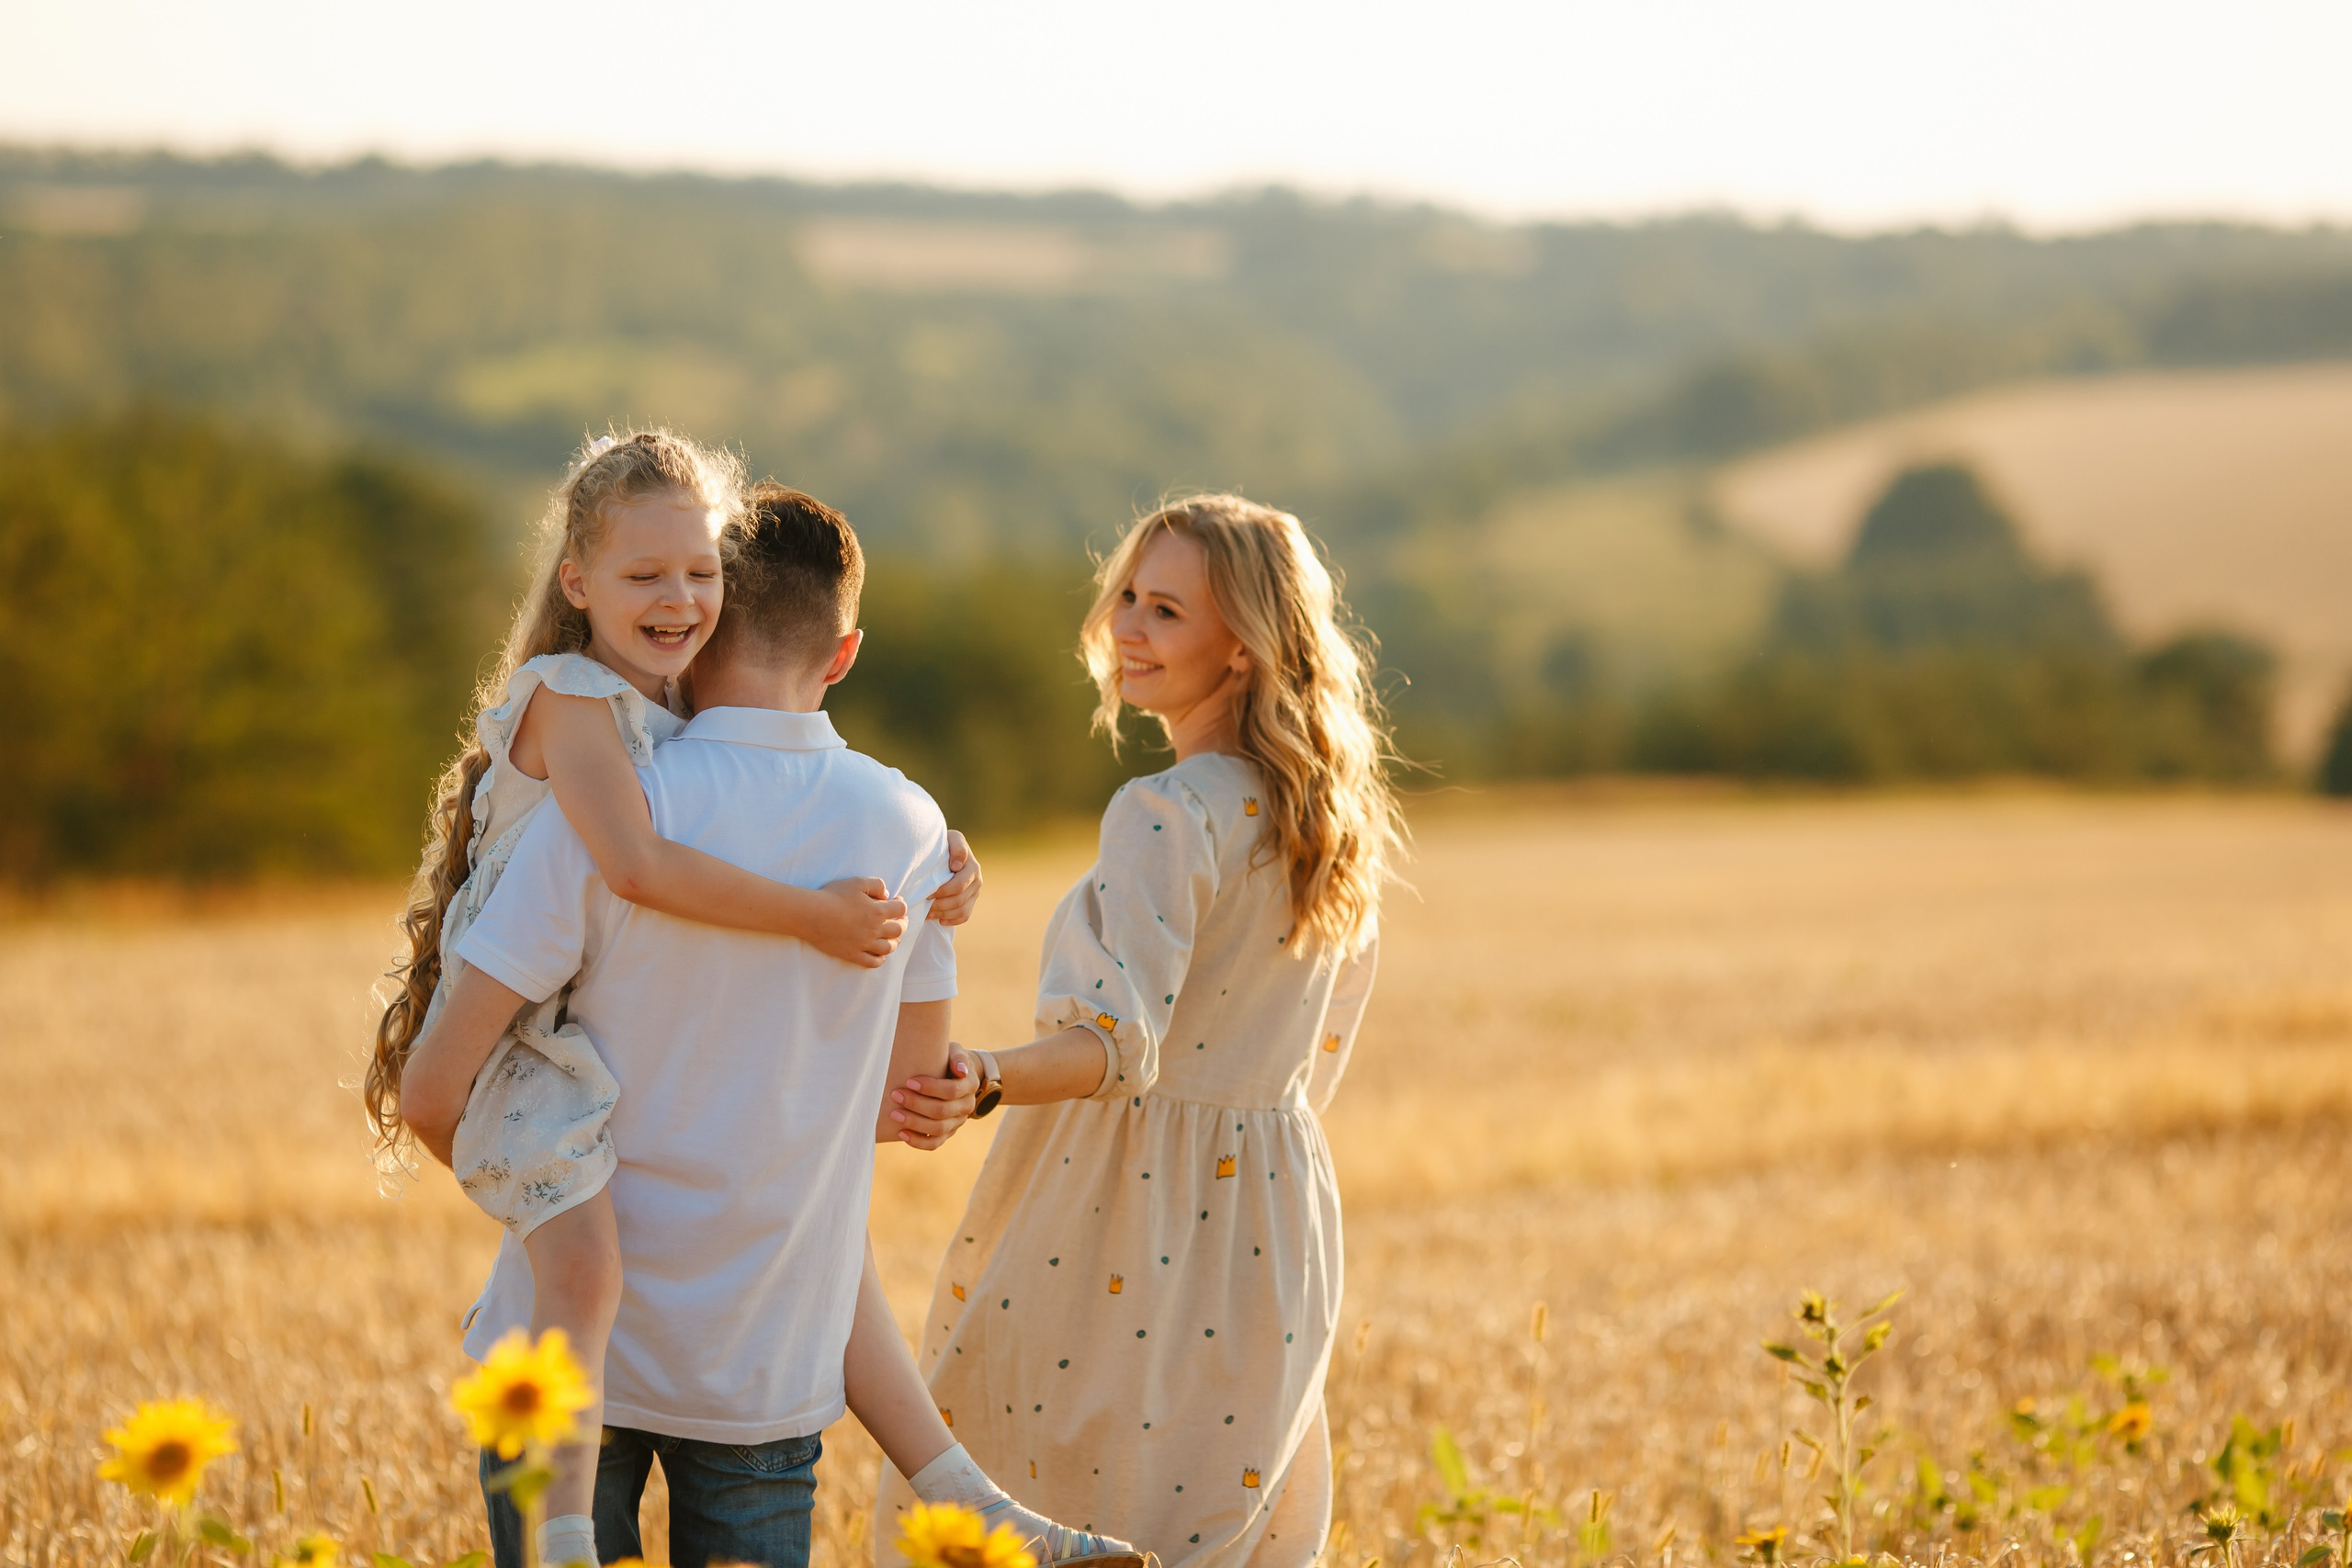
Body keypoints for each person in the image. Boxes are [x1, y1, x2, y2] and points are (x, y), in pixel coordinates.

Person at [376, 448, 1135, 1567]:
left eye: (692, 580)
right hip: (764, 1358)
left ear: (712, 616)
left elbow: (437, 1086)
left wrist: (533, 1200)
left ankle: (959, 1487)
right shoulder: (909, 826)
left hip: (566, 1365)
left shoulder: (611, 811)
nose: (672, 603)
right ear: (844, 654)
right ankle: (966, 1490)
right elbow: (902, 1106)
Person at [880, 495, 1401, 1568]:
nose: (1126, 626)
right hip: (1274, 1216)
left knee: (1047, 1511)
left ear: (1243, 652)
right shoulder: (1329, 823)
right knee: (1218, 1520)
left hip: (1121, 1217)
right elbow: (1319, 1052)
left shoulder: (1165, 812)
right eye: (1126, 594)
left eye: (1165, 610)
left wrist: (978, 1076)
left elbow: (1119, 1047)